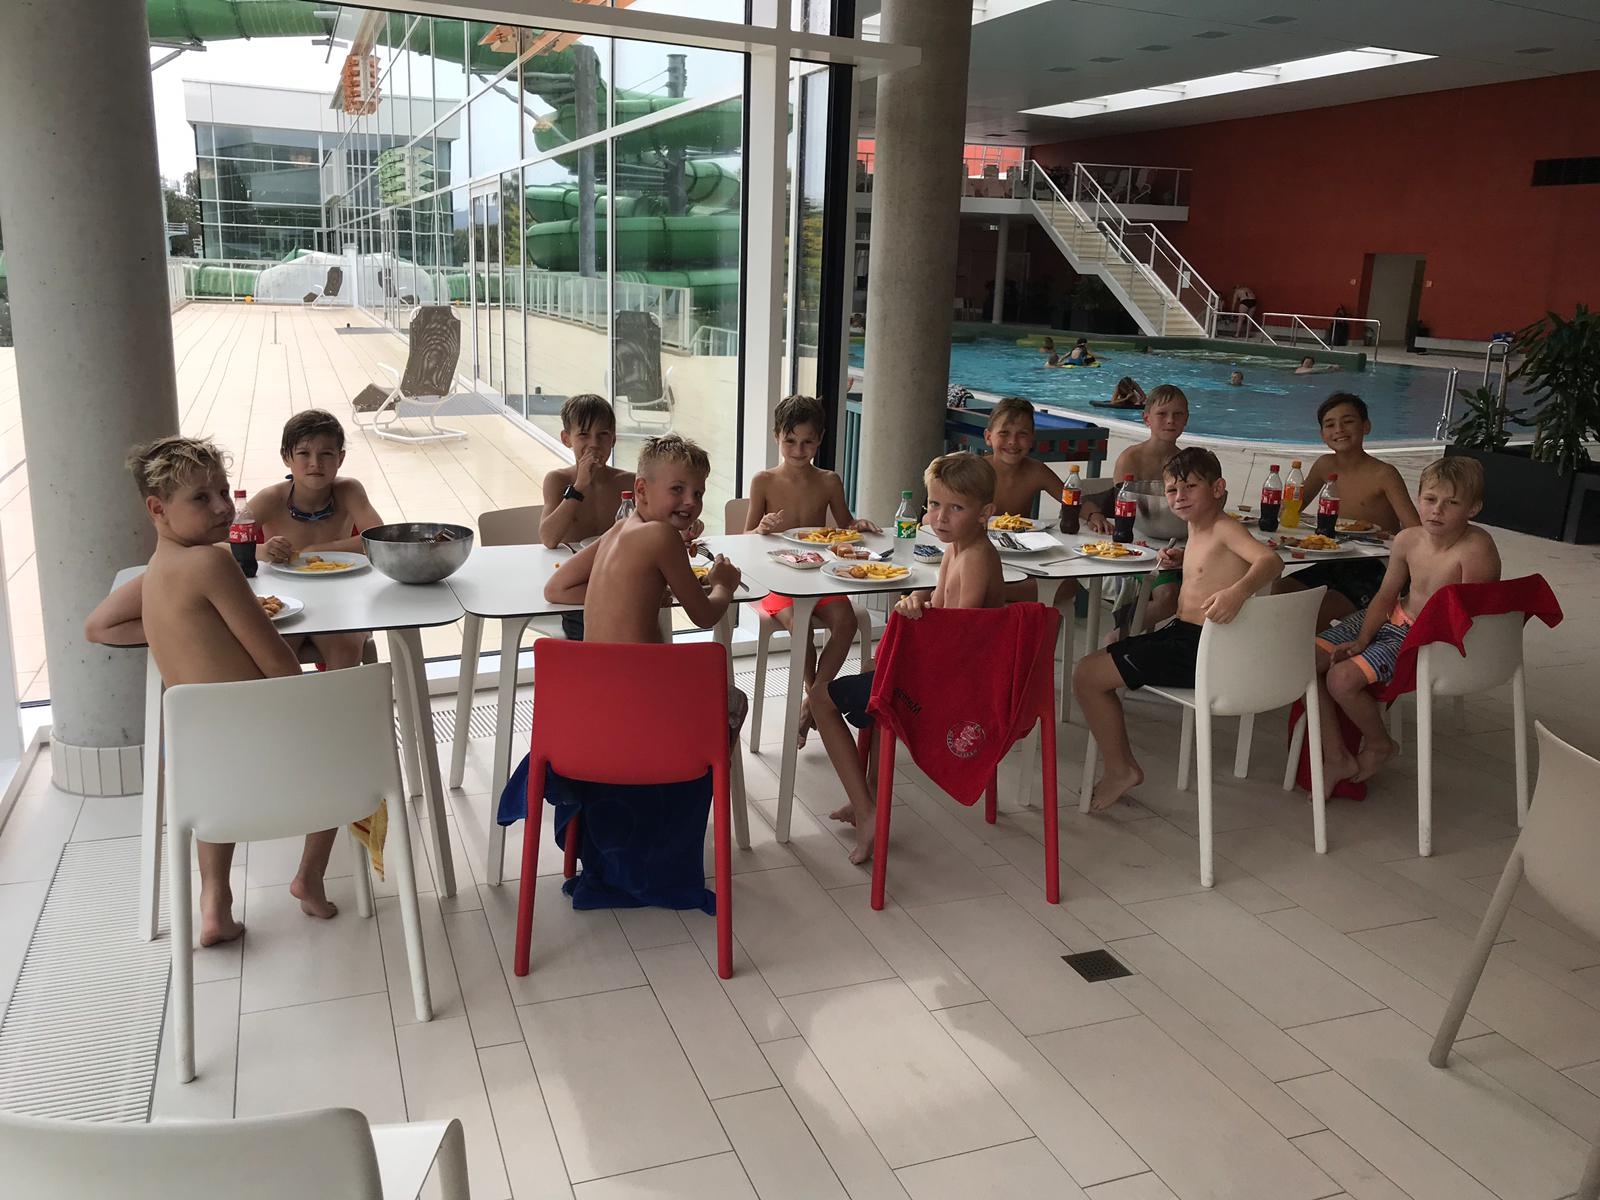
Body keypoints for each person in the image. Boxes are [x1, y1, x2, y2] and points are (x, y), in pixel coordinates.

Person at [86, 437, 339, 943]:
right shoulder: (213, 564)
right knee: (342, 744)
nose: (223, 507)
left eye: (223, 491)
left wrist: (180, 629)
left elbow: (99, 626)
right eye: (201, 498)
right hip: (258, 741)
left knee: (219, 793)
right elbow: (281, 666)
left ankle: (215, 903)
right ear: (157, 509)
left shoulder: (156, 571)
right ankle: (309, 877)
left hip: (196, 752)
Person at [809, 452, 1006, 862]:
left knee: (822, 698)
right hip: (947, 677)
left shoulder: (975, 558)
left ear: (985, 512)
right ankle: (870, 798)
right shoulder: (957, 549)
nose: (940, 517)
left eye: (956, 508)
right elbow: (943, 611)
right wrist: (920, 600)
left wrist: (919, 616)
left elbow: (960, 637)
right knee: (874, 669)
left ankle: (866, 810)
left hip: (953, 692)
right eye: (934, 504)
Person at [1073, 447, 1282, 810]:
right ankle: (1120, 766)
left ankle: (1121, 769)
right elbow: (1214, 564)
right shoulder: (1197, 528)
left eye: (1190, 487)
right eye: (1172, 489)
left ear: (1217, 488)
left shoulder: (1225, 527)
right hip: (1187, 637)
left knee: (1087, 675)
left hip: (1203, 649)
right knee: (1095, 665)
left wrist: (1238, 592)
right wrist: (1184, 560)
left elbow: (1271, 560)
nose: (1179, 496)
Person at [1314, 457, 1499, 787]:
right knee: (1304, 661)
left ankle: (1379, 744)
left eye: (1451, 503)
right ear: (1419, 498)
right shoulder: (1408, 540)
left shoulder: (1476, 549)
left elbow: (1473, 619)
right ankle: (1335, 755)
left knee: (1340, 680)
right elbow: (1386, 595)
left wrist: (1369, 646)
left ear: (1473, 508)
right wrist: (1363, 639)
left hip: (1427, 635)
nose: (1437, 511)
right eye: (1430, 499)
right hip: (1394, 615)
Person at [746, 395, 879, 747]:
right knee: (801, 625)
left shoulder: (829, 480)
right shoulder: (763, 481)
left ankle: (812, 702)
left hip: (819, 576)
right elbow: (745, 537)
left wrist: (858, 524)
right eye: (790, 441)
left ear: (819, 440)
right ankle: (817, 699)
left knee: (846, 622)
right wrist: (761, 528)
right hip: (777, 580)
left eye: (807, 442)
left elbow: (846, 524)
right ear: (777, 436)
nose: (798, 450)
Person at [545, 433, 741, 648]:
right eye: (677, 489)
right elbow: (705, 616)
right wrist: (723, 585)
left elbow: (556, 588)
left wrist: (634, 597)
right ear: (641, 490)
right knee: (714, 661)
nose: (690, 501)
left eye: (698, 494)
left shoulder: (618, 528)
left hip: (593, 665)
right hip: (637, 668)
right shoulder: (663, 536)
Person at [246, 410, 385, 671]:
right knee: (276, 655)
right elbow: (221, 543)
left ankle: (337, 699)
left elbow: (379, 539)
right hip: (283, 600)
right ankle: (294, 700)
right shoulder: (271, 498)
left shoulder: (349, 491)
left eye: (326, 454)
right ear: (286, 457)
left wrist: (315, 550)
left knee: (346, 649)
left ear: (340, 458)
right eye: (303, 453)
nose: (315, 463)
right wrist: (261, 550)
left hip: (338, 598)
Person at [1282, 393, 1420, 623]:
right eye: (1330, 424)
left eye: (1348, 421)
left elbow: (1415, 530)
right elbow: (1291, 510)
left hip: (1377, 566)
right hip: (1337, 559)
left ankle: (1316, 644)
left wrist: (1410, 576)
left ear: (1366, 426)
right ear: (1322, 434)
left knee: (1314, 613)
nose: (1339, 429)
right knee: (1278, 592)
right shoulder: (1325, 465)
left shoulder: (1384, 474)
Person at [539, 394, 636, 640]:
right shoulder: (558, 480)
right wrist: (580, 486)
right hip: (576, 589)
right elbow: (548, 538)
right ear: (566, 439)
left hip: (621, 580)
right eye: (583, 435)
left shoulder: (629, 482)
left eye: (603, 434)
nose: (594, 443)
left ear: (613, 439)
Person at [982, 396, 1079, 612]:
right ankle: (988, 588)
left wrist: (1093, 515)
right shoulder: (976, 470)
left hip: (1023, 554)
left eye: (1022, 434)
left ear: (1032, 439)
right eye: (1004, 433)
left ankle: (991, 590)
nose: (1013, 442)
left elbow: (1072, 499)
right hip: (981, 553)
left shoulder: (1036, 471)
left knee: (1068, 586)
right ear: (988, 437)